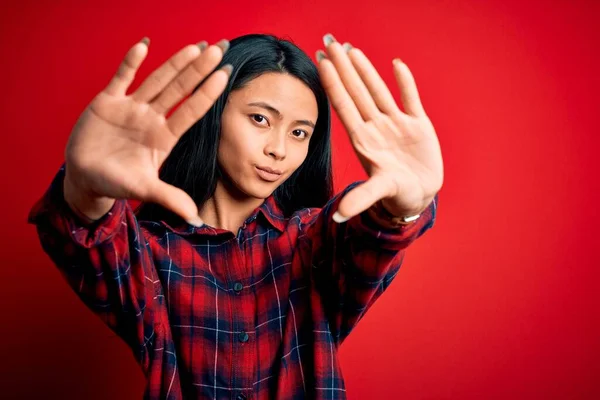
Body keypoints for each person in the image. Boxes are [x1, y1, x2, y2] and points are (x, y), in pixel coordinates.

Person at [28, 33, 443, 399]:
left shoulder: (311, 241)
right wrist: (85, 189)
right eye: (260, 119)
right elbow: (97, 245)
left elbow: (366, 239)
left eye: (299, 132)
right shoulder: (154, 252)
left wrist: (404, 207)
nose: (279, 150)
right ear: (214, 113)